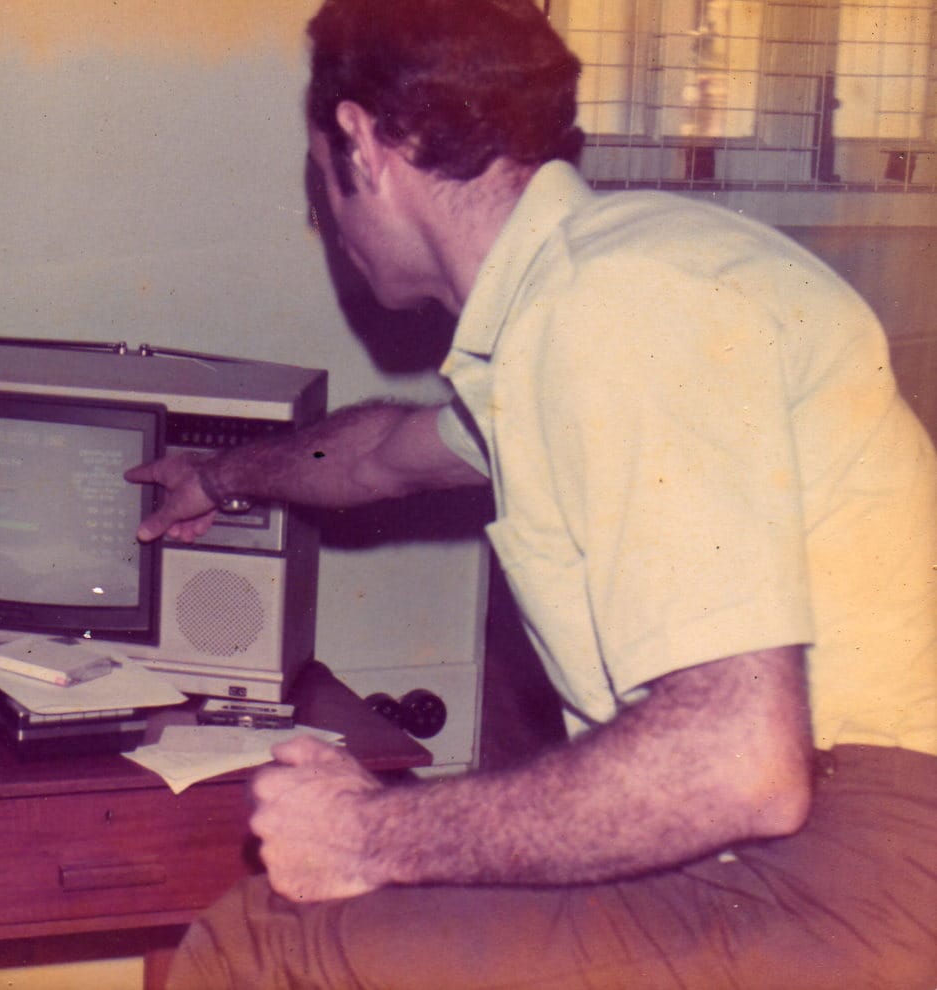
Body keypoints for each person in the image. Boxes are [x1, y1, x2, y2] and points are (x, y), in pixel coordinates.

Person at [125, 0, 937, 986]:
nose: (324, 217)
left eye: (319, 183)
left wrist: (369, 834)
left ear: (363, 144)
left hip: (856, 869)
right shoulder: (599, 284)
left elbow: (738, 762)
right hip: (802, 838)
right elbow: (385, 453)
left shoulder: (618, 306)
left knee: (261, 944)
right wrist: (216, 477)